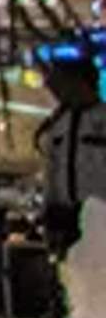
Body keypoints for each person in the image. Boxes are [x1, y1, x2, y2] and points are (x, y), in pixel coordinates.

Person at [30, 50, 102, 266]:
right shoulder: (57, 124)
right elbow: (53, 171)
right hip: (65, 216)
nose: (53, 90)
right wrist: (48, 213)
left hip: (98, 214)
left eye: (59, 83)